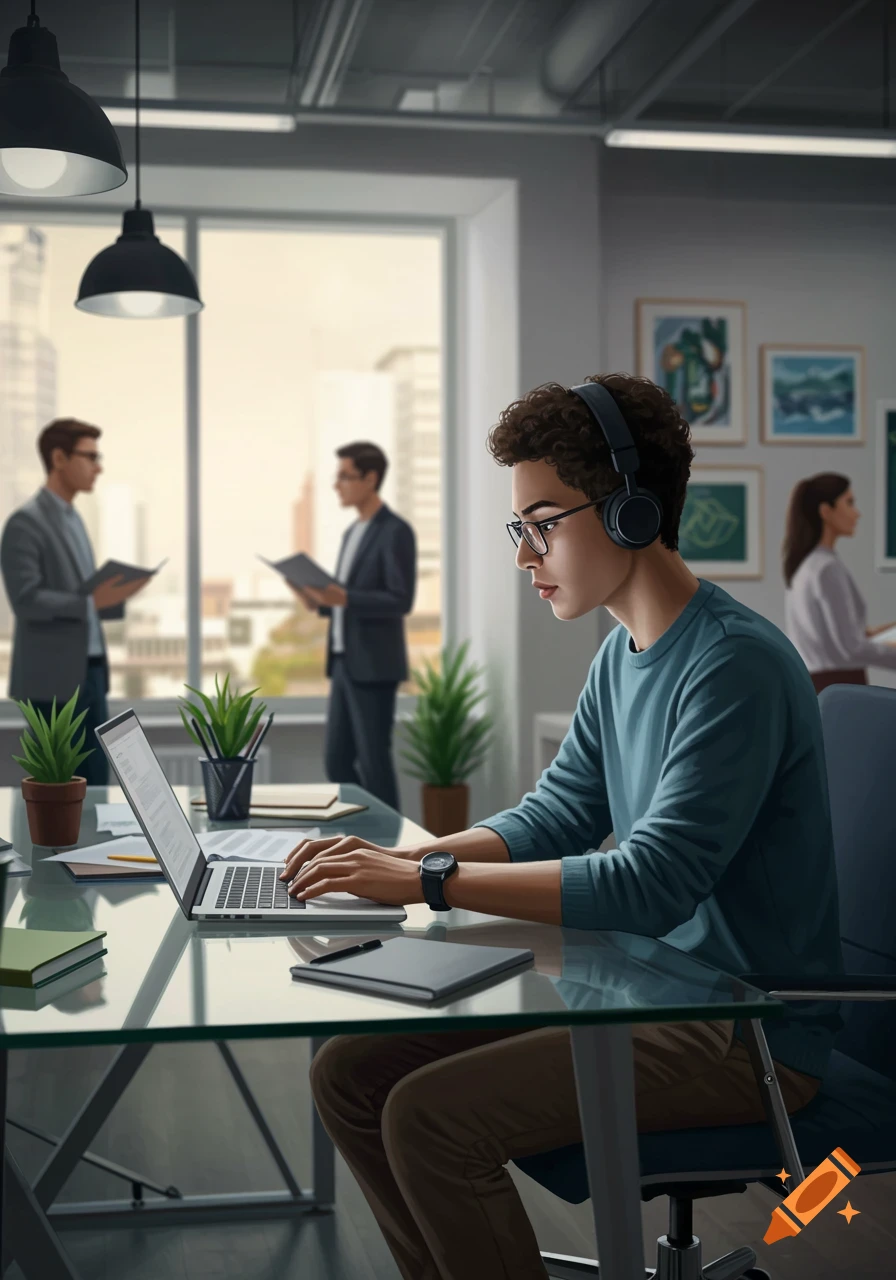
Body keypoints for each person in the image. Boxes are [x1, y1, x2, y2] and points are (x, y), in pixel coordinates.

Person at [279, 374, 842, 1280]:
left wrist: (424, 881)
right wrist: (407, 856)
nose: (525, 552)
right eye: (521, 528)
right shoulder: (621, 655)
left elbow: (652, 884)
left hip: (742, 1029)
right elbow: (559, 811)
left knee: (430, 1118)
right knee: (349, 1073)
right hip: (645, 988)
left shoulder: (734, 665)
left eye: (543, 523)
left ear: (629, 513)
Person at [0, 419, 149, 785]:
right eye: (90, 456)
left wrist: (114, 597)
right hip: (53, 680)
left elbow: (83, 596)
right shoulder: (25, 523)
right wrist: (91, 602)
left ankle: (94, 845)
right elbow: (27, 600)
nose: (98, 467)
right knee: (58, 789)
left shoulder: (74, 520)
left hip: (91, 670)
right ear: (59, 458)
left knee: (95, 779)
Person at [293, 441, 415, 810]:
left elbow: (400, 599)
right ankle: (367, 829)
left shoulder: (395, 531)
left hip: (374, 666)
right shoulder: (352, 533)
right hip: (344, 662)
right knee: (336, 761)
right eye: (337, 477)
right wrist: (319, 601)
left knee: (375, 763)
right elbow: (344, 599)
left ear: (370, 478)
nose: (337, 485)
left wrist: (344, 598)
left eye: (345, 477)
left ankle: (394, 848)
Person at [783, 472, 896, 694]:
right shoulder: (826, 569)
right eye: (850, 503)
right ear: (826, 511)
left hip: (821, 686)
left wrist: (881, 632)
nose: (857, 513)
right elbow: (850, 648)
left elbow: (841, 635)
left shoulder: (807, 566)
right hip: (840, 688)